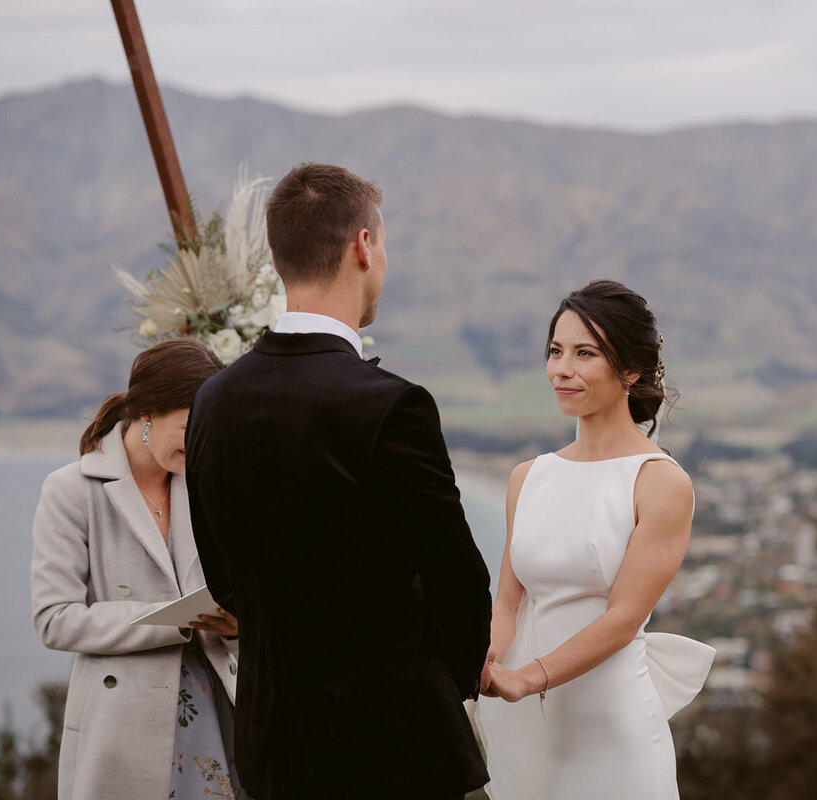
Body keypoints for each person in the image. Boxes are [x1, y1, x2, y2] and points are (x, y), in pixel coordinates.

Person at [185, 162, 493, 799]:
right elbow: (459, 582)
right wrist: (434, 686)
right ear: (364, 245)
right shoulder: (391, 405)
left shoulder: (212, 401)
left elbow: (224, 582)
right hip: (392, 750)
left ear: (278, 258)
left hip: (272, 749)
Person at [474, 279, 716, 800]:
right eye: (556, 351)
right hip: (529, 733)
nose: (561, 369)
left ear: (630, 369)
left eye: (585, 353)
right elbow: (509, 602)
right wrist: (486, 661)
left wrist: (528, 679)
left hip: (612, 730)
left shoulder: (660, 482)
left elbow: (623, 618)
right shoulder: (527, 477)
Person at [31, 338, 248, 800]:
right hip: (121, 727)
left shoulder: (207, 482)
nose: (199, 441)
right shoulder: (71, 490)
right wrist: (172, 618)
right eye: (189, 426)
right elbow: (54, 619)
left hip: (220, 710)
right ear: (147, 413)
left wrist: (234, 627)